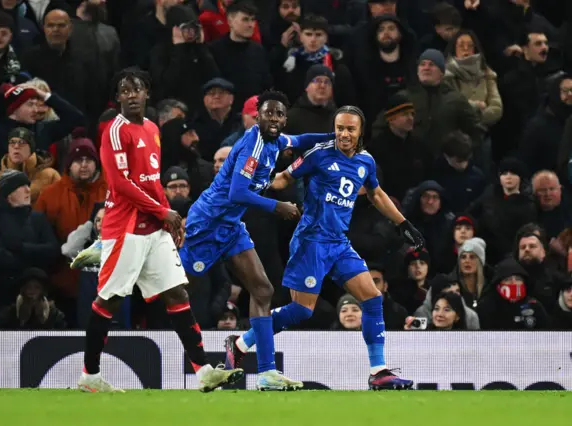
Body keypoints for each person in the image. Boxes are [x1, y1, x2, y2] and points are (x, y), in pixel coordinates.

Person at [222, 105, 424, 390]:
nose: (343, 133)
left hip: (339, 244)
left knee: (372, 298)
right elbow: (284, 178)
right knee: (302, 310)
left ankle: (378, 371)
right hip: (311, 242)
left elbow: (376, 193)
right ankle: (241, 343)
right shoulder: (318, 154)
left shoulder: (365, 161)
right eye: (339, 127)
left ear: (360, 132)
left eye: (350, 129)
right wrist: (253, 184)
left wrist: (403, 224)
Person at [77, 68, 243, 393]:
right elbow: (120, 185)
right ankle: (90, 374)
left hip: (153, 228)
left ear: (147, 94)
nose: (132, 95)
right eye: (125, 90)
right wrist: (163, 211)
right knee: (109, 299)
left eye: (138, 89)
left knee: (177, 293)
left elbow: (151, 182)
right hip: (125, 228)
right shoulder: (115, 131)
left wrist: (169, 220)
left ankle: (204, 370)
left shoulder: (152, 128)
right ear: (118, 98)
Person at [179, 90, 335, 391]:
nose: (274, 118)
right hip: (207, 224)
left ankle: (266, 373)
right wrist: (279, 206)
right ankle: (117, 252)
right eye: (268, 113)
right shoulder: (254, 145)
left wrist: (336, 135)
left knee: (263, 289)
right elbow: (237, 192)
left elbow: (300, 140)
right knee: (173, 287)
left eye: (279, 114)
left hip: (231, 226)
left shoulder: (277, 140)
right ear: (258, 116)